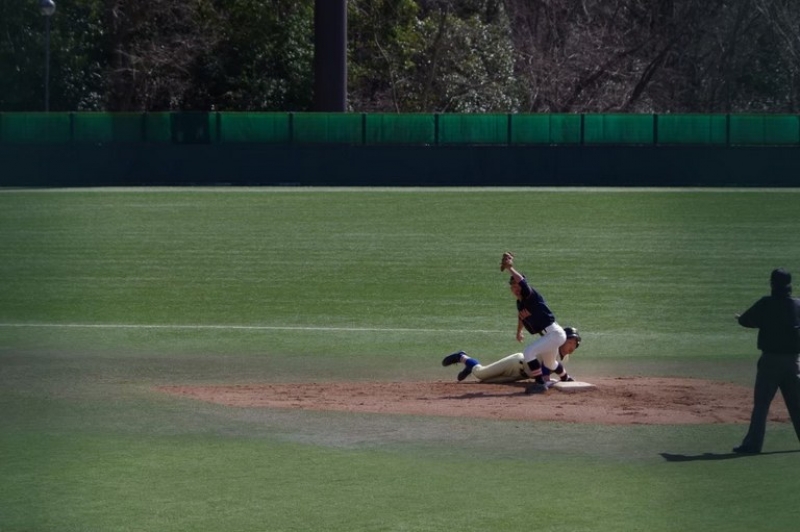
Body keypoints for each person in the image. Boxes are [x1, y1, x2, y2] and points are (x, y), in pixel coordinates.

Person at [442, 252, 582, 394]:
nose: (516, 288)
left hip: (555, 333)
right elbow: (521, 317)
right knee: (549, 363)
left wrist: (510, 268)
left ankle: (540, 384)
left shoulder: (531, 296)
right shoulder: (521, 303)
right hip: (544, 342)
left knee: (529, 352)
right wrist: (519, 331)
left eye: (518, 286)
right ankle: (462, 358)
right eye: (513, 286)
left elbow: (522, 282)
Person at [733, 268, 800, 454]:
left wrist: (760, 322)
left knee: (761, 405)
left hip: (770, 361)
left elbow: (745, 320)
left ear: (772, 284)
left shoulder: (766, 303)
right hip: (794, 362)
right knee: (797, 404)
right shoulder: (798, 304)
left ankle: (752, 445)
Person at [442, 326, 581, 388]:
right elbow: (546, 370)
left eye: (574, 344)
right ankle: (462, 357)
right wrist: (556, 379)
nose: (571, 346)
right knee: (480, 373)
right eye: (569, 342)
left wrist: (565, 378)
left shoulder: (564, 357)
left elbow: (557, 368)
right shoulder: (552, 349)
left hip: (520, 376)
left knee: (486, 382)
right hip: (515, 363)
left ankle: (470, 367)